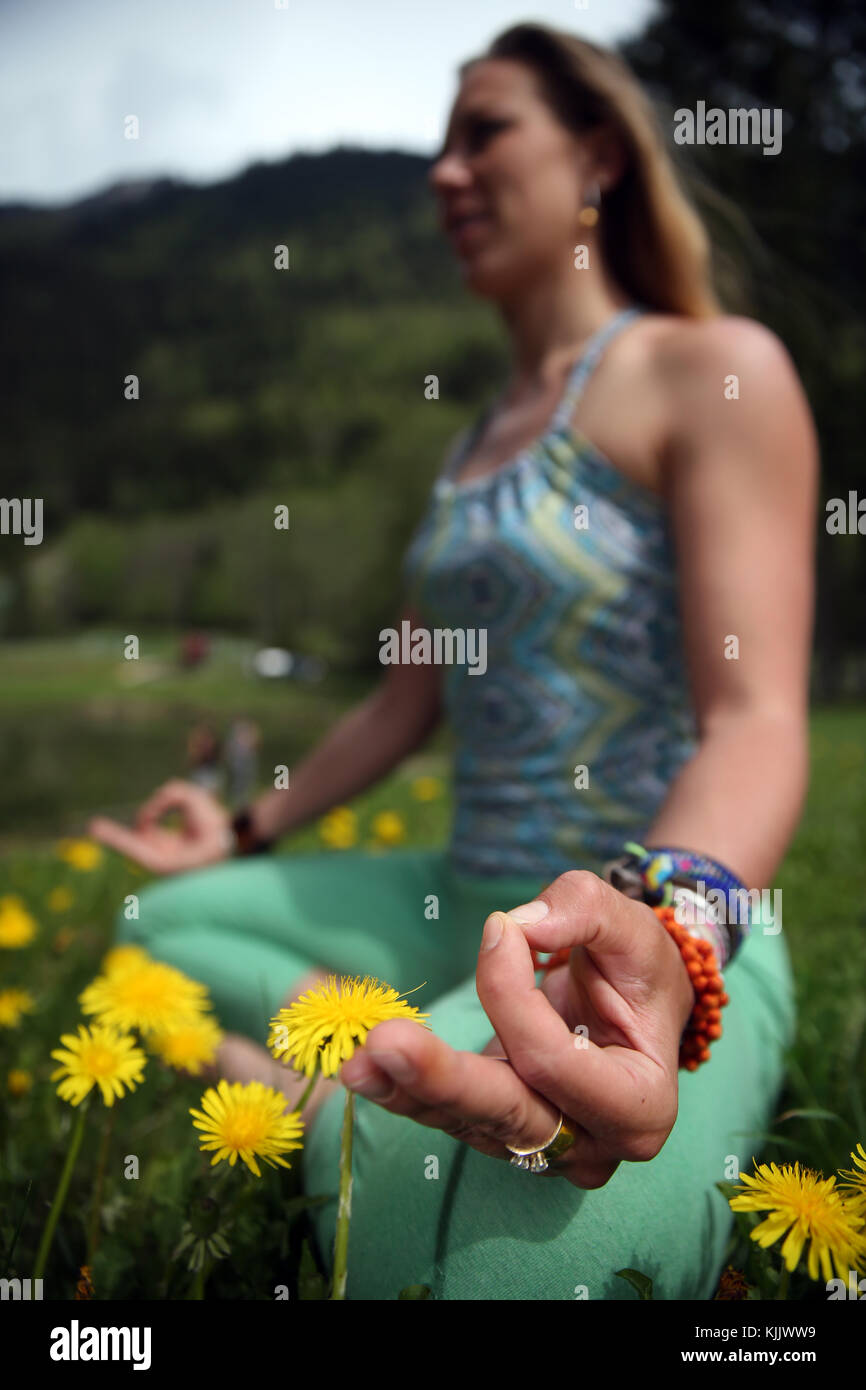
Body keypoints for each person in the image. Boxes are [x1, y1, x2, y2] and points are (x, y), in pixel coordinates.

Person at [88, 23, 816, 1300]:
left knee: (494, 1253)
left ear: (594, 154)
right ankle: (360, 1066)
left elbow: (753, 717)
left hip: (636, 925)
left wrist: (666, 929)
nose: (442, 171)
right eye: (437, 142)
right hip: (452, 884)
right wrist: (244, 831)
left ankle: (339, 1083)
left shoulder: (711, 373)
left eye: (483, 131)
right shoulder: (469, 447)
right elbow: (401, 703)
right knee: (156, 920)